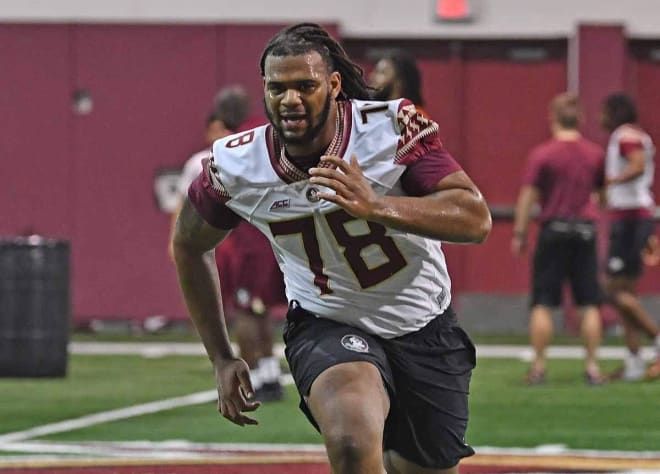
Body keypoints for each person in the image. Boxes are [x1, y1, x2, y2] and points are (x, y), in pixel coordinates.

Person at [172, 22, 491, 474]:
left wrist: (377, 205)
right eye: (278, 88)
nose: (290, 100)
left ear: (334, 85)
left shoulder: (389, 128)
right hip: (327, 322)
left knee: (423, 466)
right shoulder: (237, 165)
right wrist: (221, 357)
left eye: (305, 86)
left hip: (423, 324)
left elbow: (475, 218)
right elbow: (187, 246)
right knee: (349, 442)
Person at [170, 85, 285, 401]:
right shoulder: (263, 144)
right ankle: (269, 372)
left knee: (247, 310)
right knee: (259, 310)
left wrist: (176, 245)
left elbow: (186, 216)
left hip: (239, 245)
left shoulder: (220, 156)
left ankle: (255, 375)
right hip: (269, 240)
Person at [512, 92, 605, 385]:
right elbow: (603, 196)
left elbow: (528, 196)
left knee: (543, 302)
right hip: (585, 232)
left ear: (552, 117)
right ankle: (592, 367)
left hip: (553, 231)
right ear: (581, 119)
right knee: (589, 302)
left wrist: (520, 232)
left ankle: (539, 366)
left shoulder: (543, 154)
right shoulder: (595, 154)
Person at [600, 93, 660, 381]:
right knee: (626, 292)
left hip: (630, 218)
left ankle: (656, 339)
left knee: (613, 290)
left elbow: (636, 165)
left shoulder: (625, 135)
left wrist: (611, 181)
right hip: (635, 216)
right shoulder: (638, 134)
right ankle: (634, 359)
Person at [368, 48, 426, 114]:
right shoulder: (372, 112)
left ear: (399, 83)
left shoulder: (413, 117)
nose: (372, 77)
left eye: (381, 73)